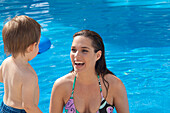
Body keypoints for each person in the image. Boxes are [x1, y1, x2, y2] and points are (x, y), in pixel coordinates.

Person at [50, 30, 129, 113]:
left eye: (84, 51)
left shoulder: (113, 85)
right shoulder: (61, 86)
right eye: (73, 50)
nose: (76, 55)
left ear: (98, 55)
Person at [0, 15, 42, 113]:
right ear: (32, 47)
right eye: (38, 44)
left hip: (4, 107)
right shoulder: (29, 75)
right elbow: (28, 106)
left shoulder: (6, 62)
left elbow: (1, 78)